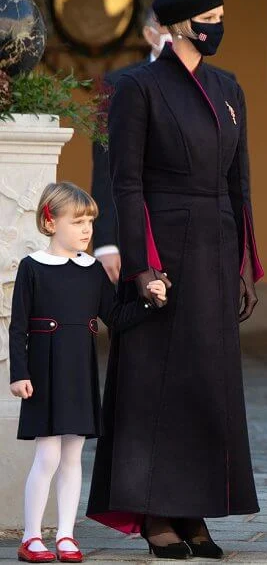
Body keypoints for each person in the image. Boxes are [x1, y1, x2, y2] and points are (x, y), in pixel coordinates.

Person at [86, 0, 264, 560]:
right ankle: (156, 513)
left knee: (206, 385)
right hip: (163, 245)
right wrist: (140, 266)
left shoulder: (229, 87)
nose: (217, 25)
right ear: (181, 24)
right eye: (208, 16)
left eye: (220, 14)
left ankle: (194, 511)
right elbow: (126, 182)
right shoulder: (137, 87)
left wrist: (243, 263)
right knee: (154, 385)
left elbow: (240, 183)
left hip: (215, 248)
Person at [10, 182, 166, 564]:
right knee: (46, 456)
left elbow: (114, 317)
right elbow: (17, 327)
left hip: (79, 370)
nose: (86, 229)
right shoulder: (32, 268)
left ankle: (65, 535)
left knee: (73, 455)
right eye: (77, 221)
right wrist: (19, 373)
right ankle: (32, 537)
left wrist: (152, 303)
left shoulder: (93, 270)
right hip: (44, 373)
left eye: (90, 222)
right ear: (50, 222)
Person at [91, 8, 173, 283]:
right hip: (135, 229)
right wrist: (105, 241)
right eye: (167, 30)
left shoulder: (216, 82)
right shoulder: (117, 83)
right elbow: (105, 166)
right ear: (149, 34)